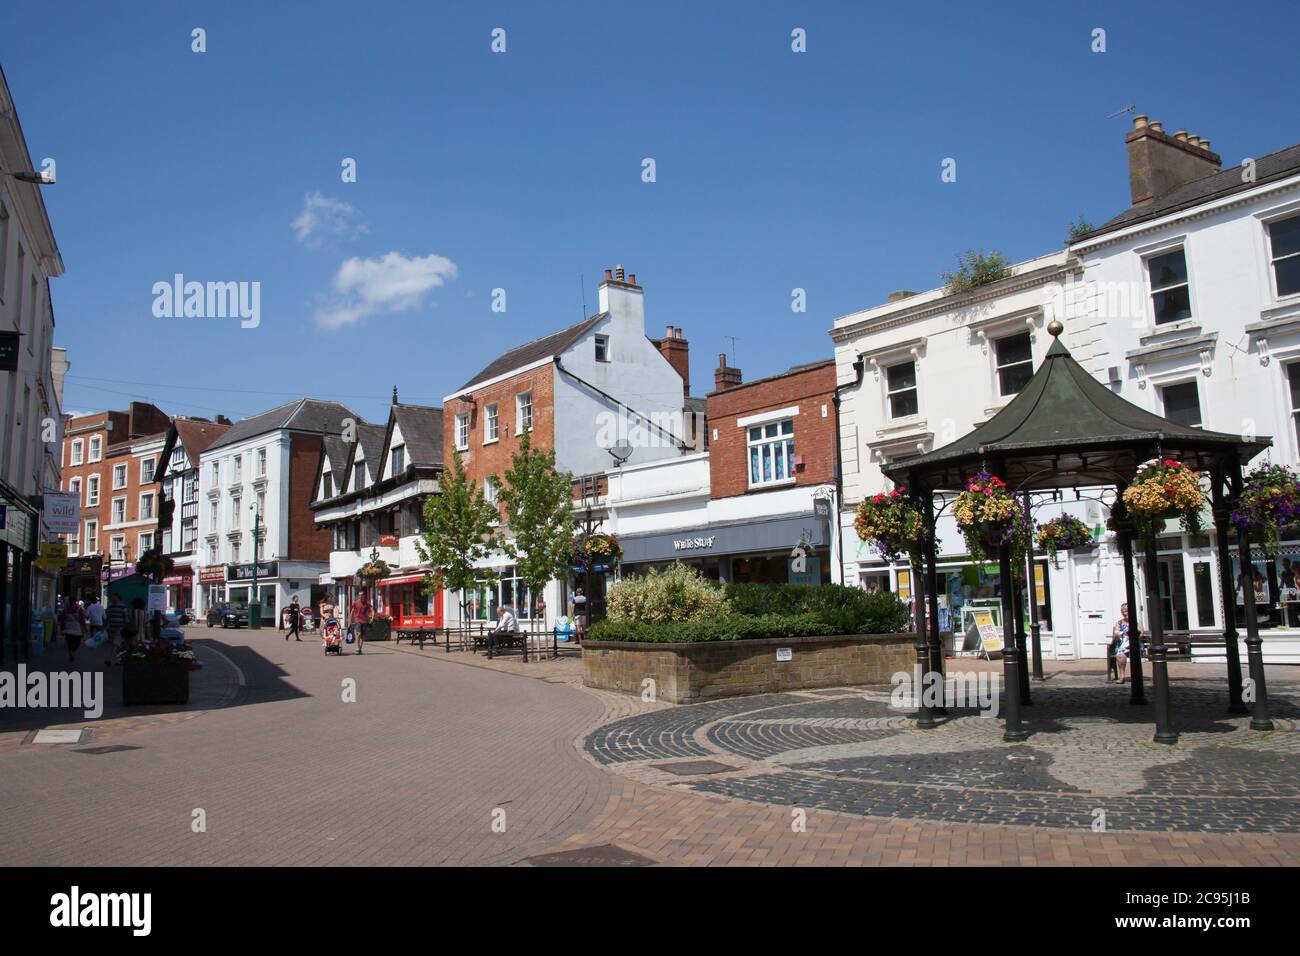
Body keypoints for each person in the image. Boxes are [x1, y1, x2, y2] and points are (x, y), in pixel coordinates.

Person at [59, 599, 88, 664]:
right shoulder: (79, 609)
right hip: (77, 629)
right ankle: (73, 651)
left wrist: (62, 629)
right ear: (75, 602)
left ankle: (70, 652)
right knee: (77, 642)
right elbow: (82, 620)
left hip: (68, 628)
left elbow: (62, 619)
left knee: (69, 642)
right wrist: (85, 628)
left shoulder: (66, 609)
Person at [1109, 603, 1130, 683]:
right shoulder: (1119, 623)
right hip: (1122, 644)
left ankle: (1137, 676)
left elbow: (1141, 633)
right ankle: (1122, 676)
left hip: (1134, 643)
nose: (1124, 613)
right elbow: (1116, 634)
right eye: (1122, 612)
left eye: (1126, 611)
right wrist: (1117, 635)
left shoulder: (1136, 621)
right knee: (1120, 655)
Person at [105, 593, 128, 660]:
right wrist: (104, 627)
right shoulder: (110, 607)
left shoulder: (123, 607)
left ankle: (109, 659)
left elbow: (126, 618)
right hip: (112, 628)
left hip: (120, 628)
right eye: (112, 598)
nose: (113, 599)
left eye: (114, 598)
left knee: (115, 644)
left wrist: (125, 627)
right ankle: (122, 657)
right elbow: (108, 618)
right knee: (117, 644)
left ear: (118, 599)